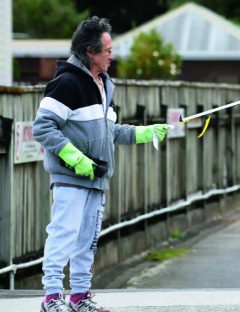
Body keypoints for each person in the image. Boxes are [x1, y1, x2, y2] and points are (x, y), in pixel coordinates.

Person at [32, 17, 170, 312]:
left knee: (87, 241)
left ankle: (80, 297)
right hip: (71, 178)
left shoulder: (105, 86)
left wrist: (144, 133)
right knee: (63, 235)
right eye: (107, 50)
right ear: (90, 51)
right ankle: (52, 298)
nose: (112, 56)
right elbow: (43, 128)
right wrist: (74, 158)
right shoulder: (66, 83)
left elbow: (111, 131)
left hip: (98, 177)